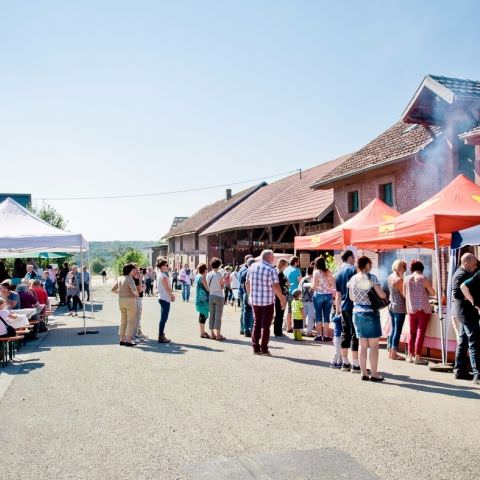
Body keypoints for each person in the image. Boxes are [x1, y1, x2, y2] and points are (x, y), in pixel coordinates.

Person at [348, 255, 386, 382]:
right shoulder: (371, 278)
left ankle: (363, 373)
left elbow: (352, 298)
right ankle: (374, 374)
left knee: (362, 345)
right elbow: (381, 294)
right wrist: (384, 293)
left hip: (357, 312)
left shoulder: (353, 279)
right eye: (371, 264)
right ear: (367, 265)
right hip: (370, 312)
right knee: (374, 346)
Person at [246, 249, 286, 355]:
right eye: (273, 257)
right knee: (265, 325)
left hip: (255, 300)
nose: (274, 259)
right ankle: (264, 348)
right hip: (267, 301)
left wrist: (249, 295)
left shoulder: (252, 267)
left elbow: (247, 283)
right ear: (269, 258)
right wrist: (282, 299)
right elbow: (276, 286)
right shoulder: (270, 269)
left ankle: (255, 347)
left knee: (256, 323)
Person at [404, 260, 435, 365]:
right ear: (421, 269)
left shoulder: (406, 279)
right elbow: (433, 292)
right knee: (420, 333)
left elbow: (404, 294)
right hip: (423, 309)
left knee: (412, 333)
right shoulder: (423, 278)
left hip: (411, 309)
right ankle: (417, 356)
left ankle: (410, 355)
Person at [456, 254, 480, 384]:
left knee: (464, 341)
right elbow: (458, 293)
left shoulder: (462, 273)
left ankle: (459, 370)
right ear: (466, 263)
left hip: (464, 313)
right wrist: (474, 302)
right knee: (473, 342)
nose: (475, 266)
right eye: (473, 264)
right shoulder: (461, 274)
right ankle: (477, 374)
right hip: (467, 313)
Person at [335, 250, 359, 373]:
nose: (354, 259)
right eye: (354, 257)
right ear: (350, 257)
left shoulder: (338, 273)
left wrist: (337, 311)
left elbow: (338, 295)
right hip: (354, 305)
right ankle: (356, 364)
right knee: (355, 334)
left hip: (343, 306)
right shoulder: (353, 270)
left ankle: (345, 362)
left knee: (345, 333)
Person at [111, 263, 139, 347]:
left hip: (121, 300)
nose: (135, 270)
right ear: (130, 270)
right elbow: (134, 291)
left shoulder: (120, 278)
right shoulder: (130, 278)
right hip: (130, 300)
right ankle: (128, 340)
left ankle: (122, 339)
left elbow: (113, 289)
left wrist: (121, 292)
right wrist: (137, 294)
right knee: (131, 320)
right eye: (133, 269)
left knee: (123, 320)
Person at [387, 260, 407, 360]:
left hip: (391, 305)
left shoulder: (390, 277)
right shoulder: (399, 280)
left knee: (393, 329)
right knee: (397, 331)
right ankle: (394, 353)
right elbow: (404, 295)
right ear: (401, 268)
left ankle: (390, 352)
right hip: (399, 307)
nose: (405, 270)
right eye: (404, 267)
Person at [312, 257, 336, 342]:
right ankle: (326, 335)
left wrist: (311, 286)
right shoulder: (329, 272)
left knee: (318, 315)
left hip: (318, 295)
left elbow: (314, 286)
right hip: (328, 295)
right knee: (326, 316)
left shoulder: (316, 272)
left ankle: (319, 335)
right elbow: (333, 283)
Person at [156, 259, 175, 343]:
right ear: (162, 266)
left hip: (163, 298)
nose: (168, 267)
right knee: (164, 318)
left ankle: (161, 335)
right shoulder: (163, 275)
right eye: (167, 265)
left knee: (163, 318)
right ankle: (161, 336)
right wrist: (172, 296)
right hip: (164, 298)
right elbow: (167, 288)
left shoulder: (162, 274)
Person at [206, 257, 226, 340]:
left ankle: (212, 334)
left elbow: (207, 285)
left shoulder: (208, 274)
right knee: (218, 315)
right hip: (219, 296)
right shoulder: (219, 274)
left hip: (211, 295)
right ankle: (218, 334)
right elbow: (222, 286)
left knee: (212, 315)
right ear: (218, 265)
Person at [284, 257, 302, 333]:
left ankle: (288, 326)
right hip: (295, 292)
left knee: (288, 310)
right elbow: (300, 281)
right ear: (295, 262)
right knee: (296, 310)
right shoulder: (297, 270)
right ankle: (295, 327)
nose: (298, 263)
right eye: (298, 262)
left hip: (286, 291)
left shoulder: (286, 269)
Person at [239, 257, 255, 337]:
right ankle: (252, 329)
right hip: (252, 293)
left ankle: (245, 329)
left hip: (245, 293)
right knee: (252, 312)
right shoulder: (254, 272)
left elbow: (242, 284)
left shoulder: (243, 272)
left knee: (246, 312)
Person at [273, 258, 289, 337]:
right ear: (283, 264)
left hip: (280, 294)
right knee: (280, 313)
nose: (287, 266)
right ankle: (278, 331)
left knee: (279, 313)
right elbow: (279, 285)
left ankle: (278, 330)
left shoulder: (278, 272)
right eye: (286, 264)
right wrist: (282, 297)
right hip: (280, 295)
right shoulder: (279, 273)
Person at [195, 263, 210, 338]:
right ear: (204, 269)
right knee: (203, 315)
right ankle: (202, 332)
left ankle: (202, 331)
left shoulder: (197, 276)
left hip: (199, 297)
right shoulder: (203, 277)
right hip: (203, 299)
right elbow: (207, 288)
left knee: (202, 315)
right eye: (206, 268)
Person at [299, 266, 315, 337]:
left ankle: (301, 330)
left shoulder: (303, 279)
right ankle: (309, 331)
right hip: (311, 300)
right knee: (311, 316)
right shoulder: (313, 279)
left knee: (303, 315)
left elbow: (299, 289)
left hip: (302, 299)